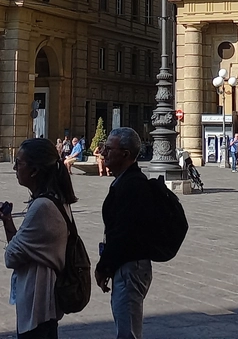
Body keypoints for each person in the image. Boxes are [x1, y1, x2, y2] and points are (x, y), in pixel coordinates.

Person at [0, 138, 74, 339]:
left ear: (34, 170)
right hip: (43, 296)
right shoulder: (55, 199)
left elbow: (11, 256)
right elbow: (24, 246)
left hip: (38, 297)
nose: (14, 168)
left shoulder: (43, 207)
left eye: (19, 163)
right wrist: (7, 221)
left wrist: (15, 240)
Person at [95, 127, 151, 339]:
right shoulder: (126, 181)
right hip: (129, 265)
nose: (103, 152)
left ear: (126, 154)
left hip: (130, 266)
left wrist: (103, 267)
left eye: (109, 148)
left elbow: (122, 233)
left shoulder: (132, 185)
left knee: (128, 334)